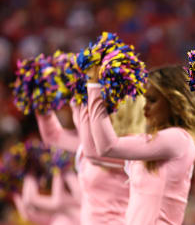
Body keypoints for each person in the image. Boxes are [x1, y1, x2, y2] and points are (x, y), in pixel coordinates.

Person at [84, 65, 195, 225]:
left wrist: (94, 88)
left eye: (152, 100)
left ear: (174, 102)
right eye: (145, 99)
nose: (145, 107)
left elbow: (106, 147)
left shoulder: (179, 139)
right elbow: (95, 151)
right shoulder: (157, 142)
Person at [35, 94, 145, 225]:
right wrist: (39, 95)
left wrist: (85, 102)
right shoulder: (95, 146)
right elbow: (52, 136)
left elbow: (92, 153)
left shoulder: (131, 149)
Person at [13, 172, 80, 225]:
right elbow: (57, 201)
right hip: (78, 209)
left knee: (29, 202)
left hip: (72, 208)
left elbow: (27, 212)